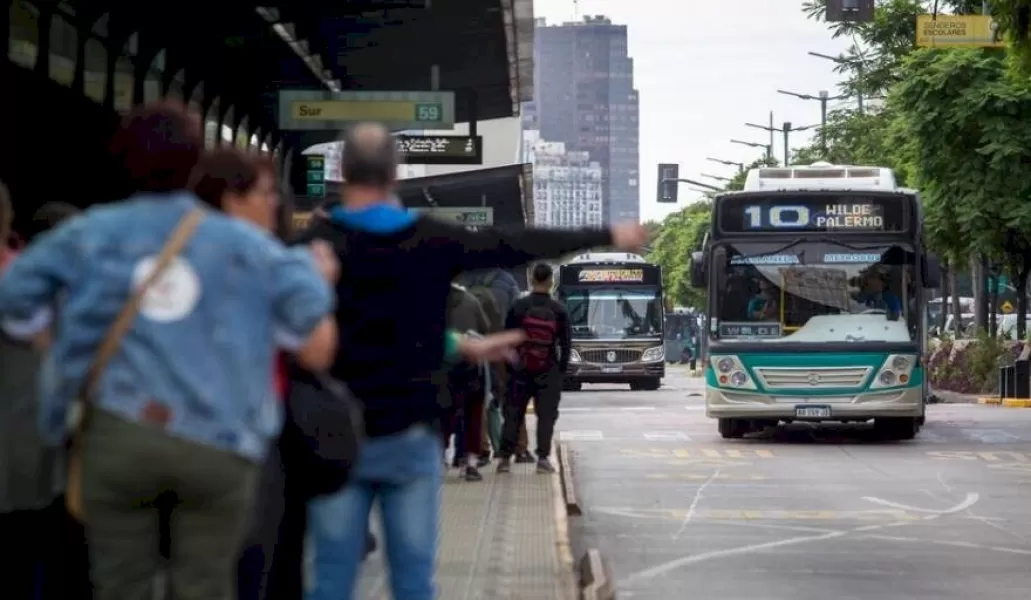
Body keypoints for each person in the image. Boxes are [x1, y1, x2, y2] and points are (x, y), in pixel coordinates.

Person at [0, 101, 340, 600]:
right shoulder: (243, 246)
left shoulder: (88, 233)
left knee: (118, 583)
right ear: (195, 163)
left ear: (122, 158)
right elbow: (309, 325)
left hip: (117, 439)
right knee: (205, 584)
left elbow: (16, 299)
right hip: (218, 443)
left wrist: (54, 334)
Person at [298, 121, 647, 600]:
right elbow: (516, 241)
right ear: (394, 175)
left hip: (335, 435)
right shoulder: (432, 239)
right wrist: (606, 233)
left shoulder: (314, 245)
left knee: (331, 578)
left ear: (343, 174)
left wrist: (460, 344)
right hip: (411, 432)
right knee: (414, 580)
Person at [496, 263, 572, 474]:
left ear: (531, 279)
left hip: (520, 370)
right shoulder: (558, 310)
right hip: (548, 370)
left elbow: (507, 340)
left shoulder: (518, 306)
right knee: (546, 416)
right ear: (550, 281)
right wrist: (560, 372)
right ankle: (543, 459)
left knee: (513, 414)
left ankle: (504, 459)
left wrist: (510, 367)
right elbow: (566, 346)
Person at [441, 283, 492, 481]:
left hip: (443, 370)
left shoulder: (430, 300)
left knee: (444, 417)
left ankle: (440, 460)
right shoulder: (471, 301)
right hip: (471, 368)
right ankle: (470, 464)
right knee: (473, 416)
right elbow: (485, 329)